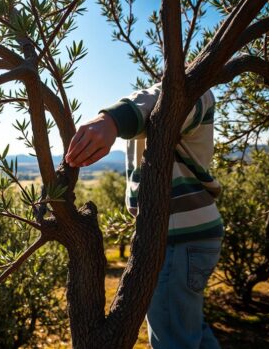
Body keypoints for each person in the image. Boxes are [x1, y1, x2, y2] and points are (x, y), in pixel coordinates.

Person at [65, 83, 223, 349]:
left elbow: (167, 98)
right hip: (189, 236)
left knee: (174, 340)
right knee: (188, 330)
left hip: (178, 237)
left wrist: (111, 120)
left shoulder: (194, 91)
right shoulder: (162, 103)